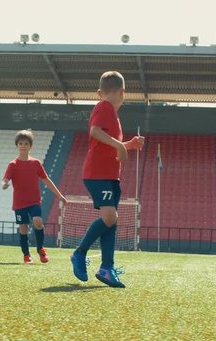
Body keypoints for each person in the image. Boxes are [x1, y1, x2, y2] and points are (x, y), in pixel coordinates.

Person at [70, 71, 145, 288]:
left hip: (110, 175)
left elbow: (106, 143)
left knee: (112, 221)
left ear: (99, 91)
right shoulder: (104, 107)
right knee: (110, 217)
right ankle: (79, 253)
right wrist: (120, 145)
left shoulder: (112, 114)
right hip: (98, 174)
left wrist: (128, 143)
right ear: (123, 92)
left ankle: (106, 268)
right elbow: (94, 132)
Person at [2, 129, 66, 264]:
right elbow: (5, 179)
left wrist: (59, 195)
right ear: (17, 145)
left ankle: (41, 249)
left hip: (34, 201)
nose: (23, 146)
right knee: (23, 229)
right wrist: (4, 184)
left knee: (37, 221)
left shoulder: (36, 163)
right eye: (21, 143)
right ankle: (26, 255)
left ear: (30, 146)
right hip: (19, 203)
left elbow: (46, 179)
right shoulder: (12, 164)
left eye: (26, 143)